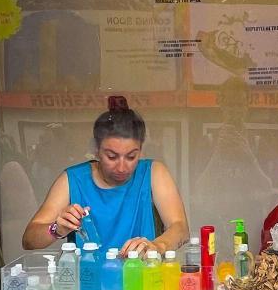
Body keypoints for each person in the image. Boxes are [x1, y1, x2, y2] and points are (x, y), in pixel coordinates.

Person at [22, 96, 189, 257]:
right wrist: (55, 229)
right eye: (112, 156)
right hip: (88, 281)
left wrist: (157, 246)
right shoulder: (73, 180)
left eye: (131, 157)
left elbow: (180, 228)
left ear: (141, 150)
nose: (122, 167)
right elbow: (29, 240)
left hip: (142, 279)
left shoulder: (153, 172)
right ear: (96, 150)